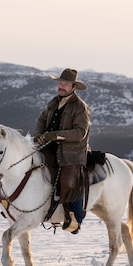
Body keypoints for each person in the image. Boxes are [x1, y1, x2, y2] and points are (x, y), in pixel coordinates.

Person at [34, 68, 91, 234]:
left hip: (71, 152)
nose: (61, 86)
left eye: (65, 83)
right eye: (60, 82)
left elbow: (80, 133)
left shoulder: (80, 107)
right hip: (49, 148)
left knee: (70, 181)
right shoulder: (53, 102)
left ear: (73, 86)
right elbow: (42, 119)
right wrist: (39, 135)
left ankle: (75, 220)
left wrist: (56, 135)